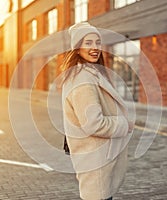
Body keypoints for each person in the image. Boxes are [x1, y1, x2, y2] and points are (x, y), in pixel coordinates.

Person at [60, 22, 134, 200]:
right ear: (77, 49)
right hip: (96, 162)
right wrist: (124, 124)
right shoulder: (82, 79)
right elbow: (93, 124)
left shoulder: (91, 73)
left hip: (99, 160)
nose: (95, 48)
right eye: (88, 43)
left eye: (97, 42)